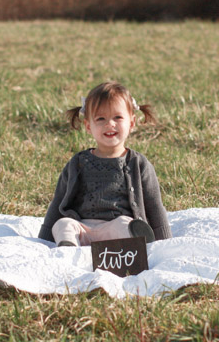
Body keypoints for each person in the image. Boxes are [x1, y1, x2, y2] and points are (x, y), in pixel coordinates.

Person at [39, 81, 172, 247]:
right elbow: (58, 202)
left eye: (117, 117)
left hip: (115, 229)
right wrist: (42, 240)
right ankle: (69, 248)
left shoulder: (138, 164)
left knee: (126, 224)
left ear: (131, 123)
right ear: (88, 126)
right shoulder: (78, 163)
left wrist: (165, 242)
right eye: (101, 118)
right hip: (83, 228)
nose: (110, 124)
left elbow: (154, 205)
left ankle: (137, 241)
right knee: (63, 225)